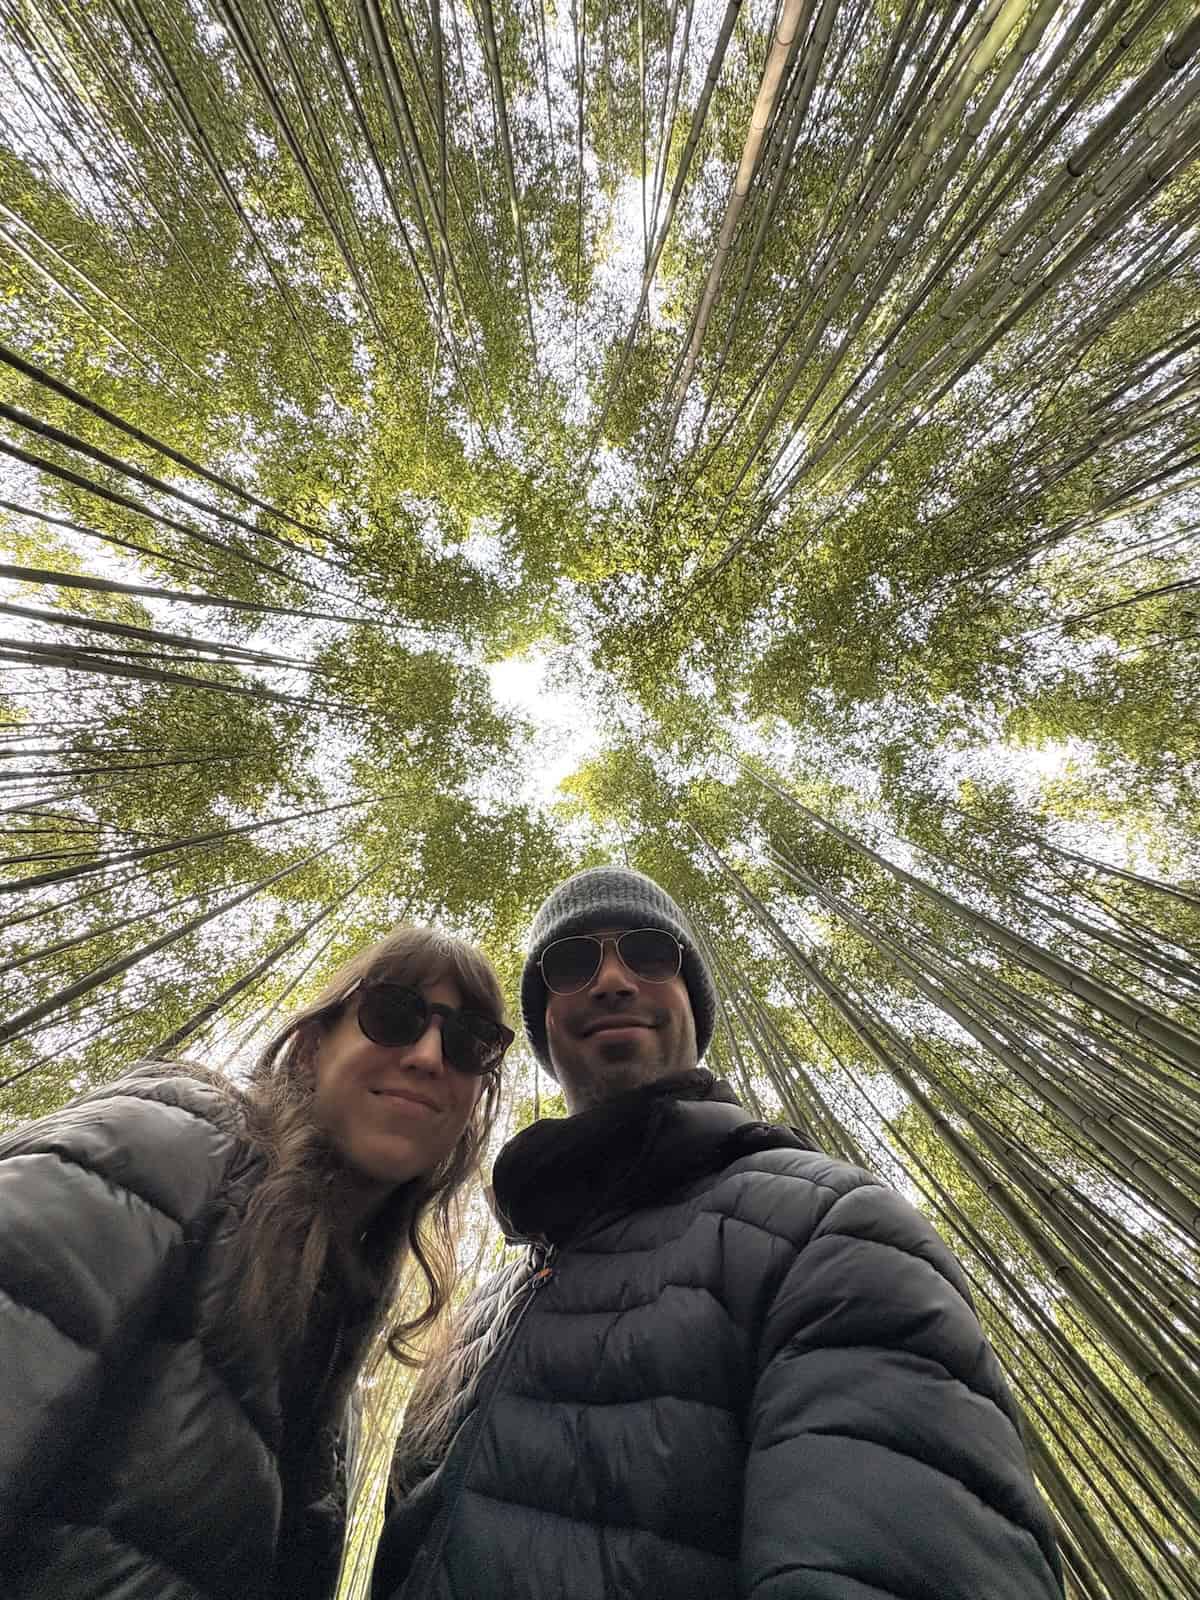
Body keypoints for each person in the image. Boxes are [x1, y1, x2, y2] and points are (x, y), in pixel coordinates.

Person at [375, 867, 1064, 1600]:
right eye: (572, 964)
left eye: (649, 954)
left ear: (694, 1006)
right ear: (545, 1023)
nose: (612, 981)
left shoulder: (826, 1226)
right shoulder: (476, 1321)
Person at [0, 924, 513, 1600]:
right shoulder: (168, 1145)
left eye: (469, 1042)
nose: (427, 1057)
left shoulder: (337, 1370)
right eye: (393, 1015)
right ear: (310, 1048)